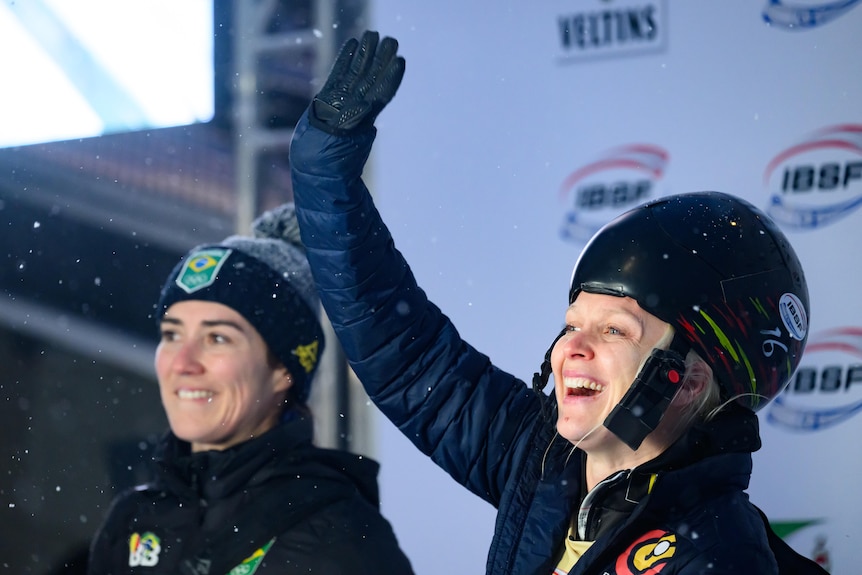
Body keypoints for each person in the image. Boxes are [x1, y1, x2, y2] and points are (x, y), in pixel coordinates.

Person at [287, 30, 829, 575]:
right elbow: (405, 354)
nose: (572, 350)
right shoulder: (541, 460)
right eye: (573, 325)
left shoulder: (718, 556)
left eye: (615, 330)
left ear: (688, 381)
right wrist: (322, 169)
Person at [86, 203, 414, 574]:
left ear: (283, 370)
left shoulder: (341, 541)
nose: (183, 362)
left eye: (217, 338)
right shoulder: (134, 520)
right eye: (172, 334)